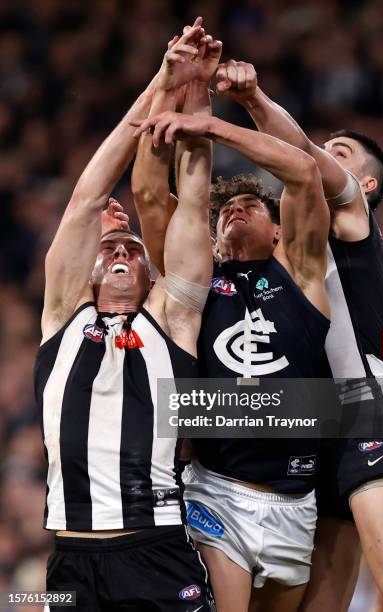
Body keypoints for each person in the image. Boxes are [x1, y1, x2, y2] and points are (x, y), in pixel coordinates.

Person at [214, 59, 383, 612]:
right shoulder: (280, 245)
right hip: (302, 422)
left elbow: (299, 153)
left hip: (359, 407)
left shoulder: (352, 213)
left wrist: (249, 102)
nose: (321, 155)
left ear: (365, 184)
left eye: (338, 153)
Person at [34, 23, 216, 612]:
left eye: (132, 250)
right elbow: (87, 197)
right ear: (86, 272)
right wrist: (158, 85)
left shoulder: (172, 317)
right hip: (67, 557)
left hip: (155, 547)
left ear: (151, 275)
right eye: (110, 249)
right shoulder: (62, 315)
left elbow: (191, 199)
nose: (120, 252)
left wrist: (195, 99)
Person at [133, 100, 331, 611]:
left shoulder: (303, 275)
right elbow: (153, 200)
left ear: (281, 230)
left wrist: (216, 125)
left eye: (252, 205)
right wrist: (186, 97)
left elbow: (305, 174)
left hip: (297, 498)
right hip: (217, 490)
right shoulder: (197, 283)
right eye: (225, 210)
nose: (235, 210)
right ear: (214, 235)